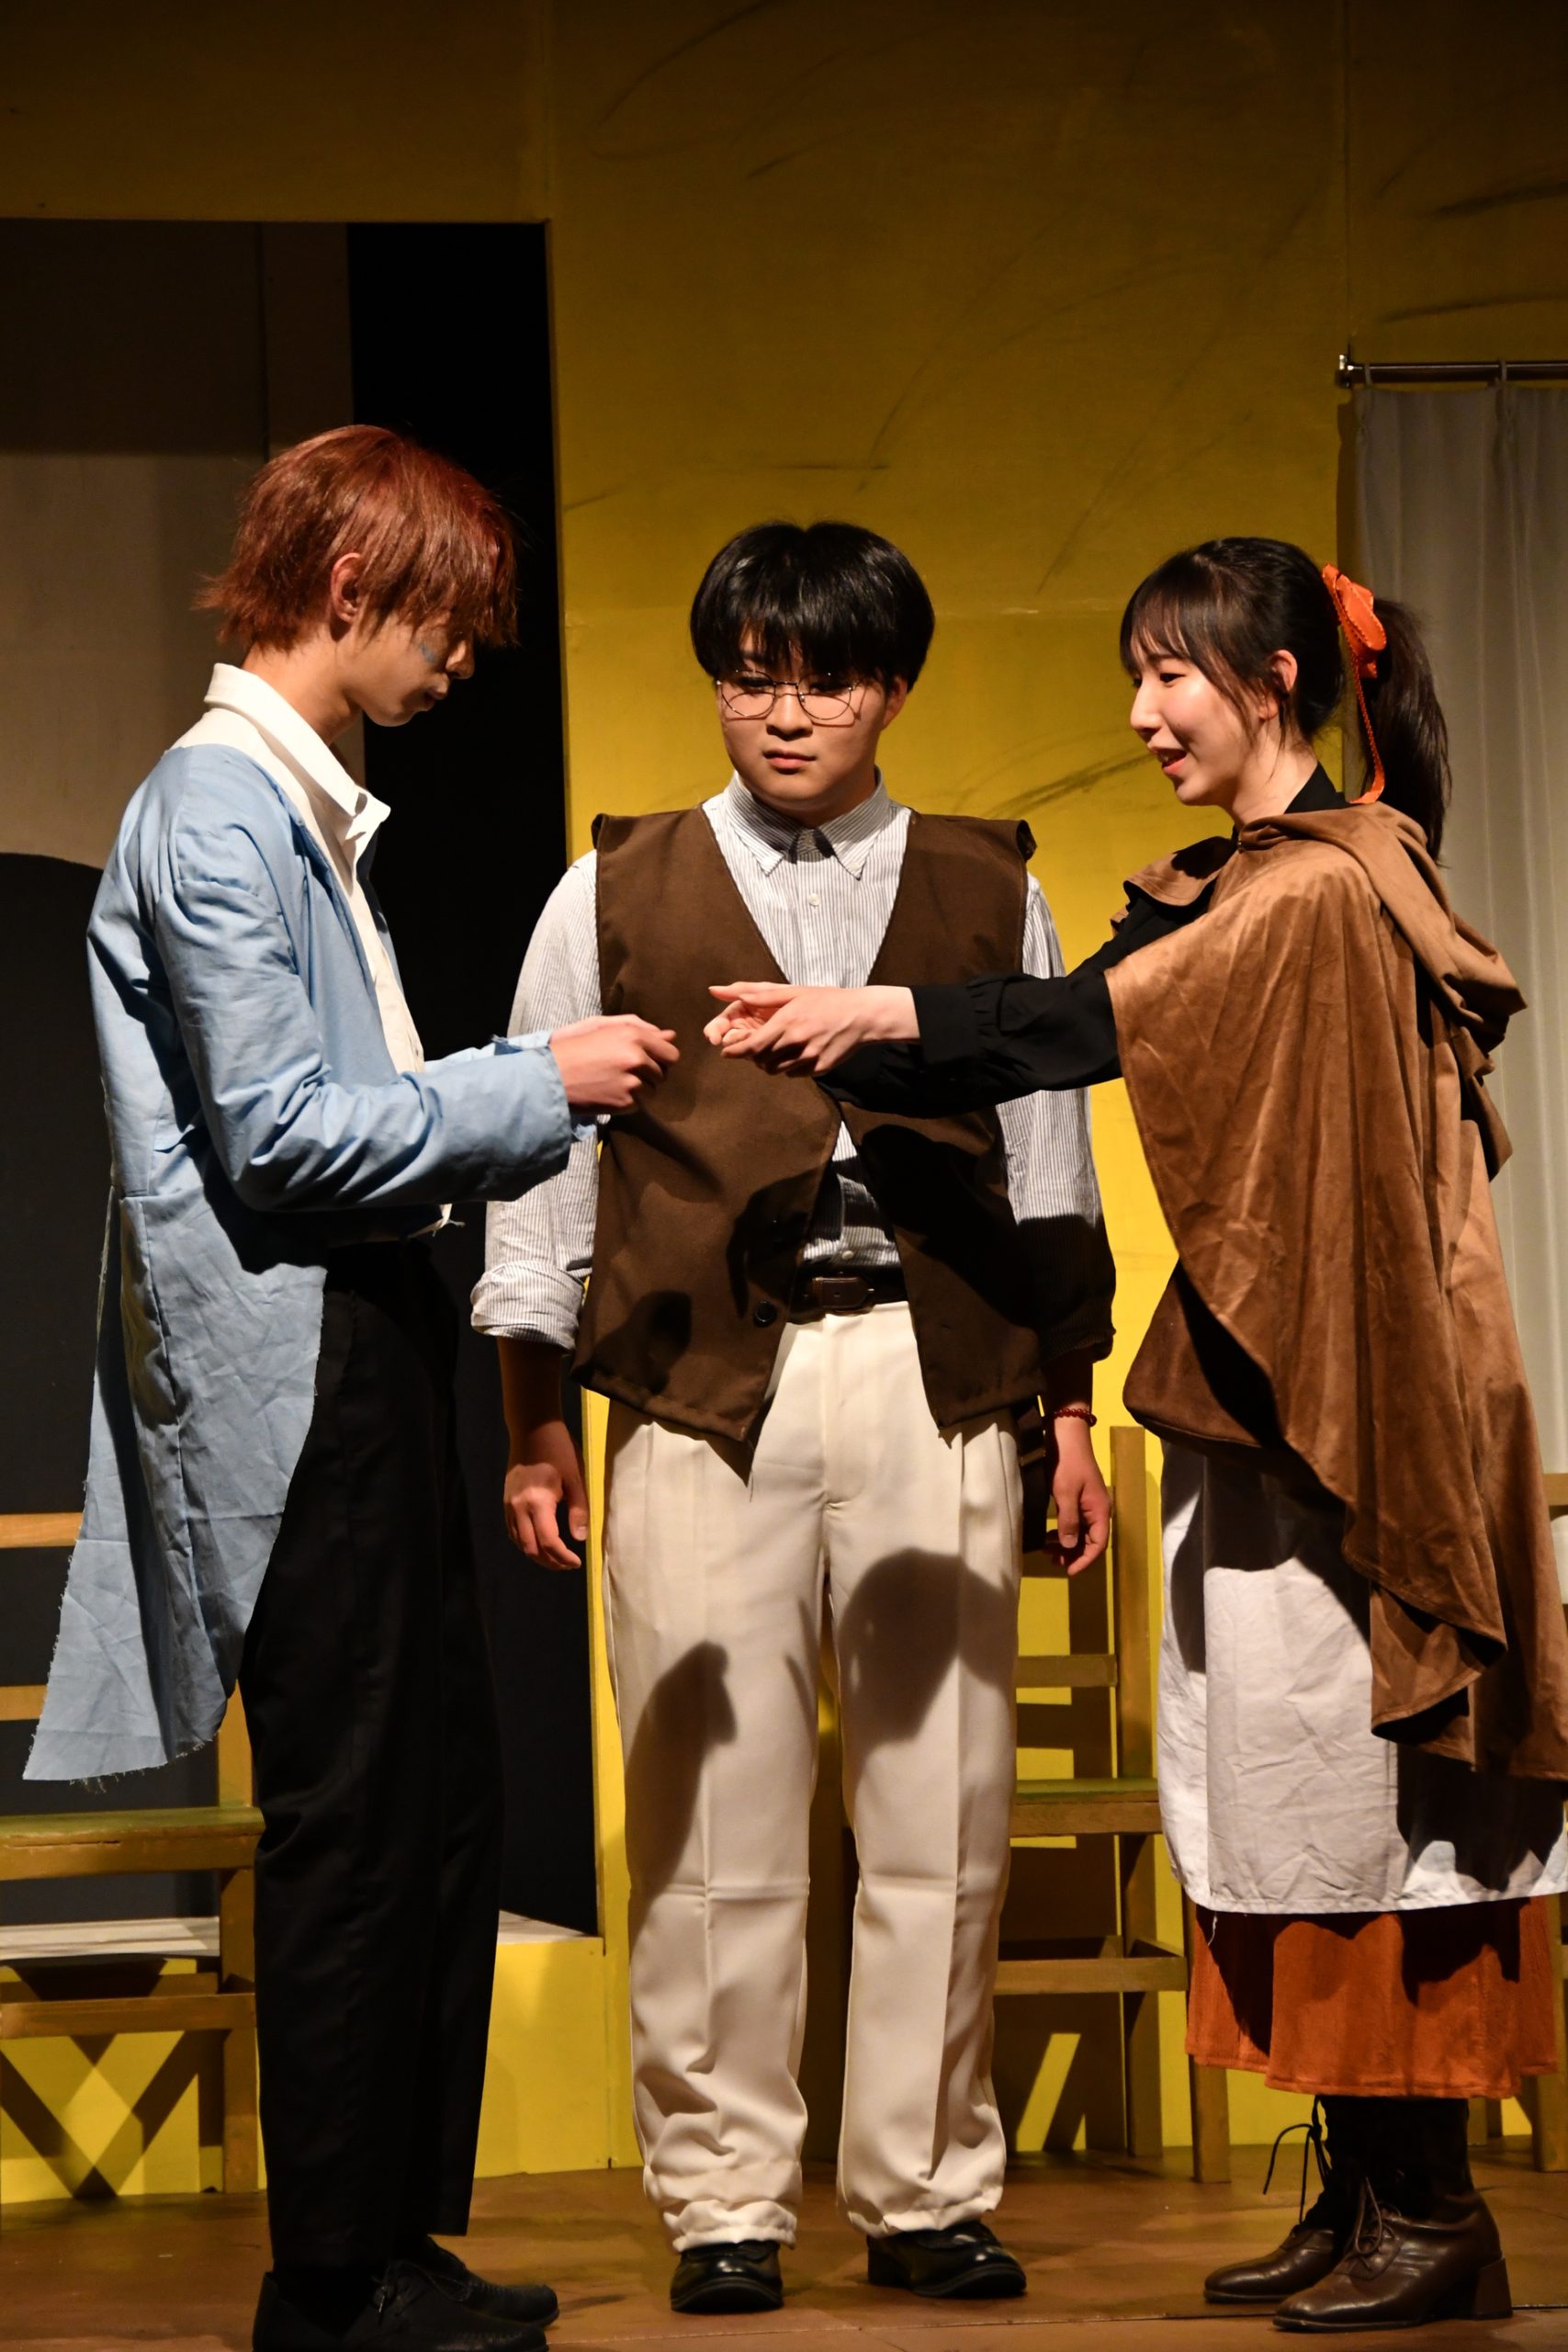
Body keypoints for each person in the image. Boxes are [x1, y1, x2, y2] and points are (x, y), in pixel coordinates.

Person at [708, 537, 1568, 2335]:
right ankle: (1363, 2184)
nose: (1142, 712)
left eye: (1171, 675)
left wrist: (877, 1011)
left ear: (1271, 683)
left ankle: (1432, 2206)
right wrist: (858, 1034)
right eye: (1136, 674)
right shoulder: (1252, 878)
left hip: (1354, 1413)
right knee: (1292, 1789)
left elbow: (1086, 1020)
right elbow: (1072, 1025)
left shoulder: (1321, 886)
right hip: (1272, 1401)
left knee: (1367, 1792)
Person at [26, 425, 677, 2352]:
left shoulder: (301, 814)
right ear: (347, 585)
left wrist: (506, 1094)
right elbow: (286, 1133)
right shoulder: (219, 810)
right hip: (295, 1351)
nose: (460, 661)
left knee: (435, 1796)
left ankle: (390, 2236)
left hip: (364, 1328)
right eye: (446, 623)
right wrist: (536, 1083)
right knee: (357, 1807)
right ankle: (330, 2275)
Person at [475, 521, 1116, 2312]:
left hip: (934, 1366)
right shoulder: (614, 885)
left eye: (823, 678)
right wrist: (533, 1413)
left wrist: (1064, 1406)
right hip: (700, 1384)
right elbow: (539, 1164)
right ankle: (724, 2199)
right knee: (709, 1808)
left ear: (889, 687)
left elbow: (1047, 1162)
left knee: (942, 1802)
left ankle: (924, 2188)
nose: (782, 712)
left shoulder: (987, 881)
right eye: (749, 675)